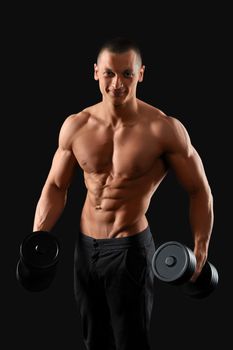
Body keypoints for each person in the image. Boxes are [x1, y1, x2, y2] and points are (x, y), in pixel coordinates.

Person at [32, 37, 214, 350]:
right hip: (85, 249)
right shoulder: (76, 125)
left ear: (141, 74)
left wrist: (201, 247)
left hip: (130, 252)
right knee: (94, 340)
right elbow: (56, 185)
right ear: (95, 73)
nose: (117, 83)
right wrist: (38, 237)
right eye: (109, 74)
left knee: (132, 342)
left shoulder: (163, 129)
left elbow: (199, 190)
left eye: (127, 74)